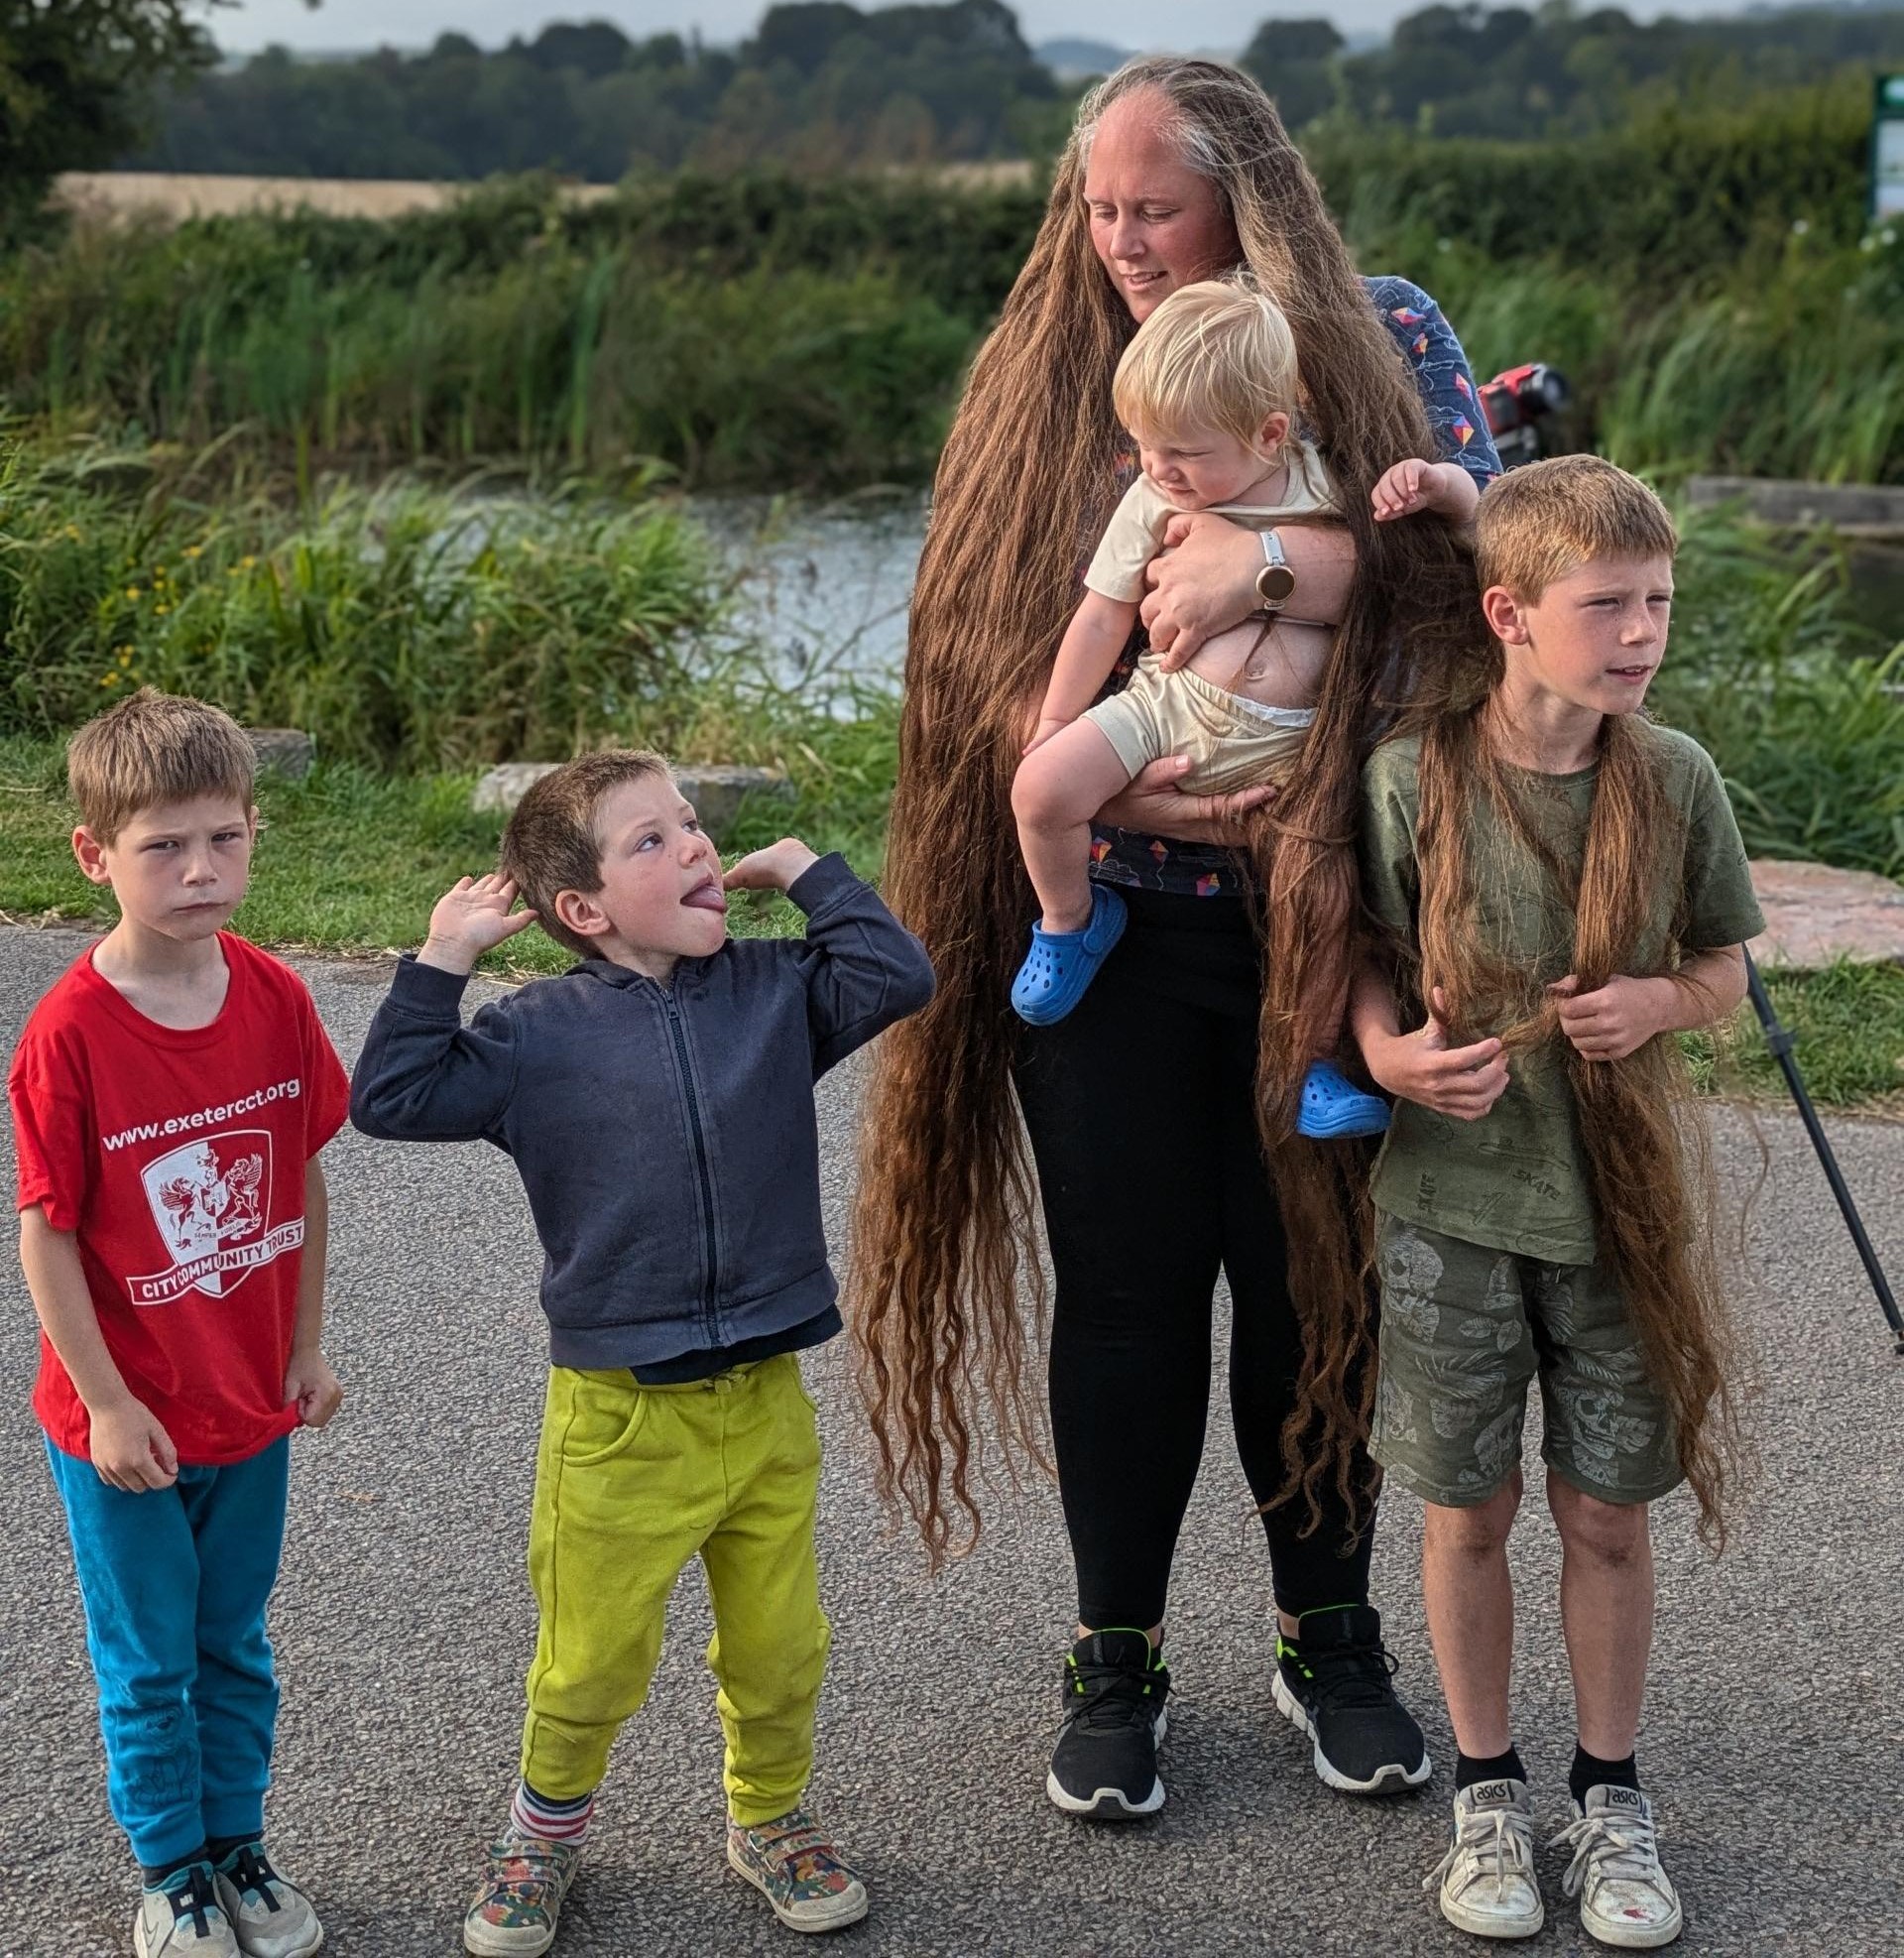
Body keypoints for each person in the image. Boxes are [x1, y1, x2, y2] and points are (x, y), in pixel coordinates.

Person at [850, 55, 1499, 1824]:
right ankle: (1115, 1651)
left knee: (1314, 1289)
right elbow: (989, 673)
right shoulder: (1054, 379)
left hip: (1331, 927)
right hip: (1118, 939)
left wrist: (1278, 579)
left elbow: (1488, 583)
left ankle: (1332, 1631)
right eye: (1100, 203)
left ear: (1252, 201)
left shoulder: (1385, 336)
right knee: (1129, 1299)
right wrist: (1114, 804)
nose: (1121, 237)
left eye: (1156, 204)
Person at [348, 752, 933, 1957]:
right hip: (619, 1419)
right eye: (653, 841)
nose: (700, 847)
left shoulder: (773, 992)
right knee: (590, 1661)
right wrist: (441, 959)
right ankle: (542, 1837)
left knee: (782, 1648)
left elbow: (896, 972)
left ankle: (769, 1816)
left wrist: (810, 873)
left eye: (696, 826)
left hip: (765, 1401)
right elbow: (393, 1096)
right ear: (583, 910)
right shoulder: (531, 1037)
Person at [1351, 456, 1760, 1946]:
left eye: (1657, 600)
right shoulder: (1413, 775)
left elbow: (1725, 964)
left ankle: (1609, 1790)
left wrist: (1659, 995)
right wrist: (1388, 1047)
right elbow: (1365, 957)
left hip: (1619, 1203)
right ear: (1512, 612)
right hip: (1453, 1199)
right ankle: (1485, 1789)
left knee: (1605, 1509)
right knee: (1466, 1505)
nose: (1641, 630)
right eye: (1609, 605)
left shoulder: (1677, 777)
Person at [9, 688, 348, 1958]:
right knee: (150, 1659)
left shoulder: (273, 997)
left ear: (256, 832)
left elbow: (303, 1171)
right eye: (164, 846)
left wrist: (306, 1345)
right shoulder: (69, 1038)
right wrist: (104, 1400)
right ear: (96, 855)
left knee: (234, 1643)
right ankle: (173, 1874)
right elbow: (46, 1232)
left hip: (248, 1399)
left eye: (226, 839)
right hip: (128, 1417)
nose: (202, 871)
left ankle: (239, 1845)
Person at [1010, 276, 1475, 1148]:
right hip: (1167, 710)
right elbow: (1102, 613)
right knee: (1040, 791)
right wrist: (1052, 724)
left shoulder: (1324, 482)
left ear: (1269, 433)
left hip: (1294, 749)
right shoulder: (1152, 502)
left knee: (1325, 892)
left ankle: (1312, 1063)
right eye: (1145, 446)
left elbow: (1428, 556)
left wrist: (1436, 482)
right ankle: (1071, 920)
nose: (1158, 469)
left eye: (1183, 451)